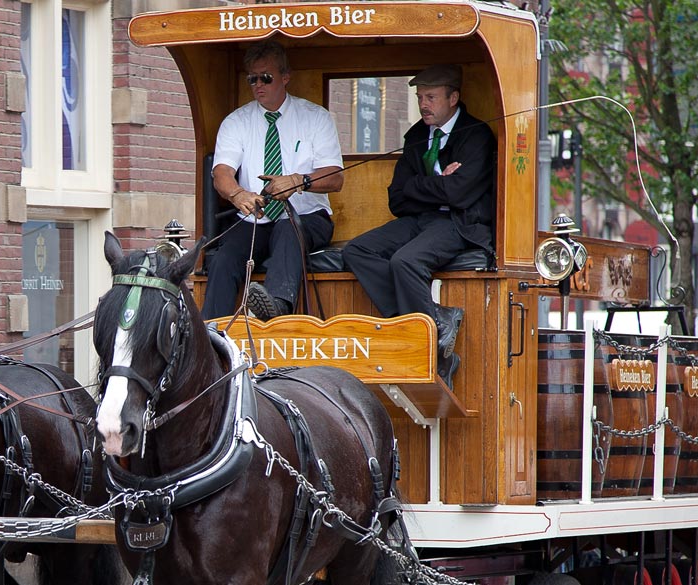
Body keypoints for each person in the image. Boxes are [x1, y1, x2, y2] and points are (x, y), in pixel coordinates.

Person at [342, 64, 496, 390]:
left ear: (453, 98)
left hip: (460, 222)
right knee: (357, 250)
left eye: (431, 97)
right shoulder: (415, 135)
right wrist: (438, 183)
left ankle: (435, 358)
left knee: (406, 261)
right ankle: (432, 320)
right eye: (419, 97)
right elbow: (397, 199)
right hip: (420, 219)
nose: (424, 104)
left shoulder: (476, 134)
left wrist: (422, 186)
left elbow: (460, 194)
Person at [202, 39, 344, 321]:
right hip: (256, 217)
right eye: (252, 78)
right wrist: (238, 194)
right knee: (225, 256)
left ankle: (276, 308)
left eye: (265, 77)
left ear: (285, 77)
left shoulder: (316, 117)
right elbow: (221, 173)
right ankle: (208, 332)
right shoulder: (236, 121)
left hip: (308, 216)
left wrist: (296, 181)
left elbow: (335, 177)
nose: (258, 85)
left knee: (288, 229)